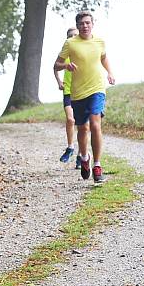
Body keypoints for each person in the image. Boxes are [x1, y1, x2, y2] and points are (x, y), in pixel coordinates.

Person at [53, 11, 115, 183]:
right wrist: (66, 65)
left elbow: (104, 58)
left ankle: (97, 165)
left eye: (88, 23)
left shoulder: (99, 42)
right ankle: (84, 157)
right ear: (78, 25)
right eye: (82, 23)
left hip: (97, 89)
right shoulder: (70, 43)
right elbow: (56, 65)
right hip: (78, 92)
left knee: (95, 125)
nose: (85, 26)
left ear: (92, 24)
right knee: (82, 129)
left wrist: (110, 72)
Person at [54, 27, 79, 163]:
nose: (73, 37)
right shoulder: (65, 54)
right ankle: (70, 147)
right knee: (71, 120)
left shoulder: (83, 51)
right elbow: (55, 67)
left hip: (82, 91)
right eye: (70, 36)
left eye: (75, 35)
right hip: (68, 91)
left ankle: (82, 154)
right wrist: (59, 82)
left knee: (83, 124)